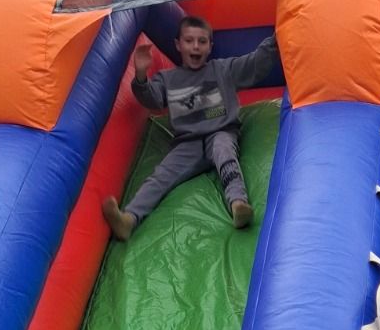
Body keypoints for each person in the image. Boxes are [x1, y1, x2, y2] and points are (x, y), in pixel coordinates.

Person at [102, 16, 278, 238]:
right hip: (188, 142)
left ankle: (238, 204)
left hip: (220, 132)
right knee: (161, 175)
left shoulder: (222, 70)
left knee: (224, 151)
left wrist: (275, 39)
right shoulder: (168, 79)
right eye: (189, 41)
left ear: (210, 46)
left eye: (202, 41)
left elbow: (254, 64)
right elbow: (152, 99)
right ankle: (128, 219)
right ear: (178, 45)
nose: (195, 46)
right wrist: (140, 75)